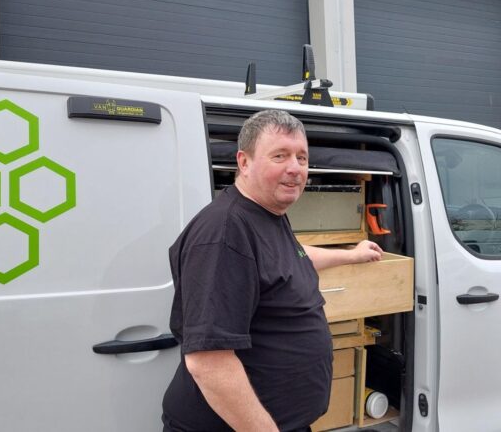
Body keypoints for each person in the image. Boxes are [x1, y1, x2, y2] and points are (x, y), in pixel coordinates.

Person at [162, 109, 382, 432]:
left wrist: (351, 255)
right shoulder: (225, 233)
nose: (295, 168)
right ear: (244, 162)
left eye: (302, 158)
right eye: (280, 156)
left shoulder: (267, 214)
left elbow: (290, 258)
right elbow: (208, 362)